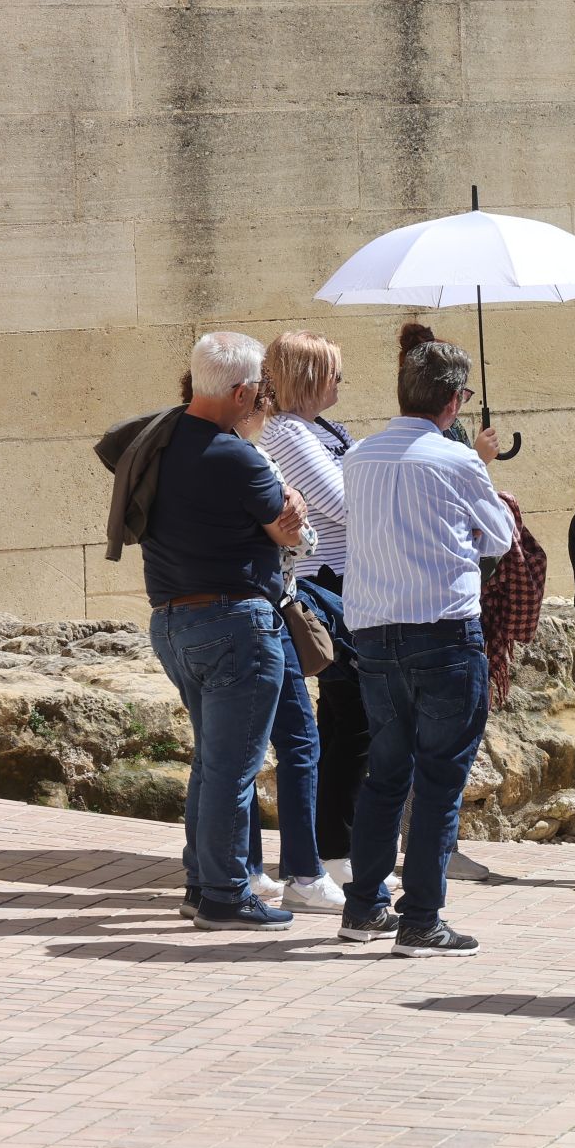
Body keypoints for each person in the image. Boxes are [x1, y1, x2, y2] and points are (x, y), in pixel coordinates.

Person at [337, 327, 512, 955]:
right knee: (439, 781)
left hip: (373, 634)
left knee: (385, 774)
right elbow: (499, 537)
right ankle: (420, 919)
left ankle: (364, 908)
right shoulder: (457, 459)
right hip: (443, 632)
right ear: (455, 400)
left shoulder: (358, 456)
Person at [142, 332, 305, 932]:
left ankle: (201, 884)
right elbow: (290, 533)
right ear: (241, 392)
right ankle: (223, 894)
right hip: (236, 622)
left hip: (172, 621)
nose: (263, 397)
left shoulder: (158, 441)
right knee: (232, 769)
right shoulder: (237, 457)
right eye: (261, 388)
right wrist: (292, 506)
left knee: (211, 763)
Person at [257, 330, 371, 893]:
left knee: (353, 716)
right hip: (323, 587)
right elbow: (348, 504)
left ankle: (337, 843)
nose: (340, 382)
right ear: (306, 378)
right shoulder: (286, 433)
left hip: (351, 583)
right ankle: (333, 847)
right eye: (332, 372)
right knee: (346, 716)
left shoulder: (325, 429)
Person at [231, 375, 344, 914]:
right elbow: (303, 538)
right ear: (252, 404)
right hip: (265, 612)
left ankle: (246, 868)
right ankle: (303, 871)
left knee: (233, 751)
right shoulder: (254, 460)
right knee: (299, 742)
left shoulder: (182, 454)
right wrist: (295, 518)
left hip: (199, 612)